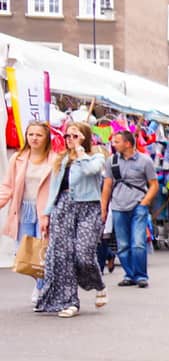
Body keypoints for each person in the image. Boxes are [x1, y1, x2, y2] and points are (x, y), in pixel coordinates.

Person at [38, 121, 107, 317]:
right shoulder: (62, 159)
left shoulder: (96, 156)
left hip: (88, 208)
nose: (69, 140)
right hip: (63, 207)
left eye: (75, 136)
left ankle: (98, 284)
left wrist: (80, 150)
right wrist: (46, 214)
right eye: (67, 136)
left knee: (83, 254)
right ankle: (70, 302)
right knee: (63, 256)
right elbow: (54, 189)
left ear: (84, 137)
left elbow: (91, 171)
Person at [0, 120, 58, 303]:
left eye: (39, 135)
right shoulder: (17, 158)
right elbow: (7, 186)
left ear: (46, 138)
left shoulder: (55, 159)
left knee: (43, 253)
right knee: (25, 254)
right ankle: (40, 284)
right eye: (31, 134)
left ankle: (41, 289)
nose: (34, 138)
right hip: (23, 210)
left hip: (44, 211)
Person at [102, 129, 158, 288]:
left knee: (138, 242)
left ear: (127, 143)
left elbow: (153, 185)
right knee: (123, 243)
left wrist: (145, 202)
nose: (113, 144)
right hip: (118, 206)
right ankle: (129, 274)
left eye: (117, 141)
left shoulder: (145, 161)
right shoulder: (112, 161)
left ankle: (141, 276)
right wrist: (104, 207)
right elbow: (107, 185)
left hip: (138, 206)